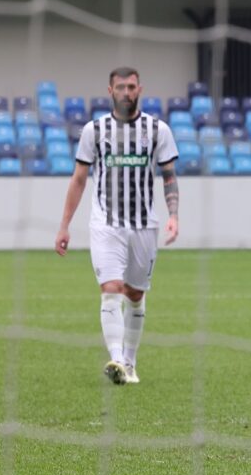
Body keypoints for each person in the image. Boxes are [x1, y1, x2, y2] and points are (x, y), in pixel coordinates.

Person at [54, 67, 180, 386]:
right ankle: (117, 360)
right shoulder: (94, 131)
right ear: (110, 91)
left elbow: (169, 175)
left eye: (132, 87)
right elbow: (79, 179)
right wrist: (64, 225)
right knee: (111, 289)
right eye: (121, 87)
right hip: (106, 224)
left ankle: (130, 362)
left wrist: (174, 214)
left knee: (135, 294)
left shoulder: (158, 130)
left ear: (140, 89)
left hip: (144, 225)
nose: (127, 92)